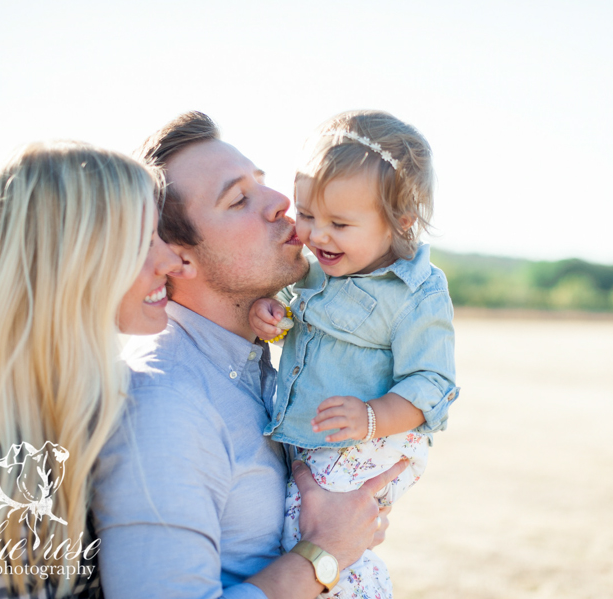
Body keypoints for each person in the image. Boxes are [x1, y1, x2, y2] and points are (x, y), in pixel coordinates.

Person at [91, 112, 404, 599]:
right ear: (178, 256)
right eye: (239, 199)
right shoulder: (164, 404)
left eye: (262, 183)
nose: (282, 203)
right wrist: (326, 551)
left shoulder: (257, 362)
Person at [0, 140, 183, 598]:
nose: (171, 261)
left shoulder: (88, 413)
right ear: (71, 263)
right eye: (142, 243)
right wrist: (316, 558)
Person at [248, 109, 458, 598]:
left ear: (399, 222)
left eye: (339, 223)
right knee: (289, 528)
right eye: (306, 216)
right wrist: (272, 321)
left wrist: (370, 416)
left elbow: (433, 384)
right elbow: (303, 335)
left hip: (377, 437)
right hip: (320, 436)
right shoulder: (320, 267)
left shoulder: (416, 291)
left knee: (312, 533)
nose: (317, 236)